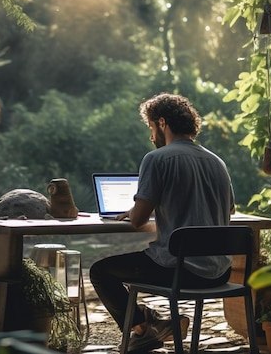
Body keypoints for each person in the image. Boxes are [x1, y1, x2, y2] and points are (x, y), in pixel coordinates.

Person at [89, 93, 235, 353]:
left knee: (100, 271)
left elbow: (138, 221)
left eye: (150, 128)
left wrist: (136, 209)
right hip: (220, 272)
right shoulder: (218, 162)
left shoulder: (157, 159)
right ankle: (152, 322)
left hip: (180, 271)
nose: (150, 136)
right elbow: (230, 210)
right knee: (136, 264)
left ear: (162, 123)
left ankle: (142, 328)